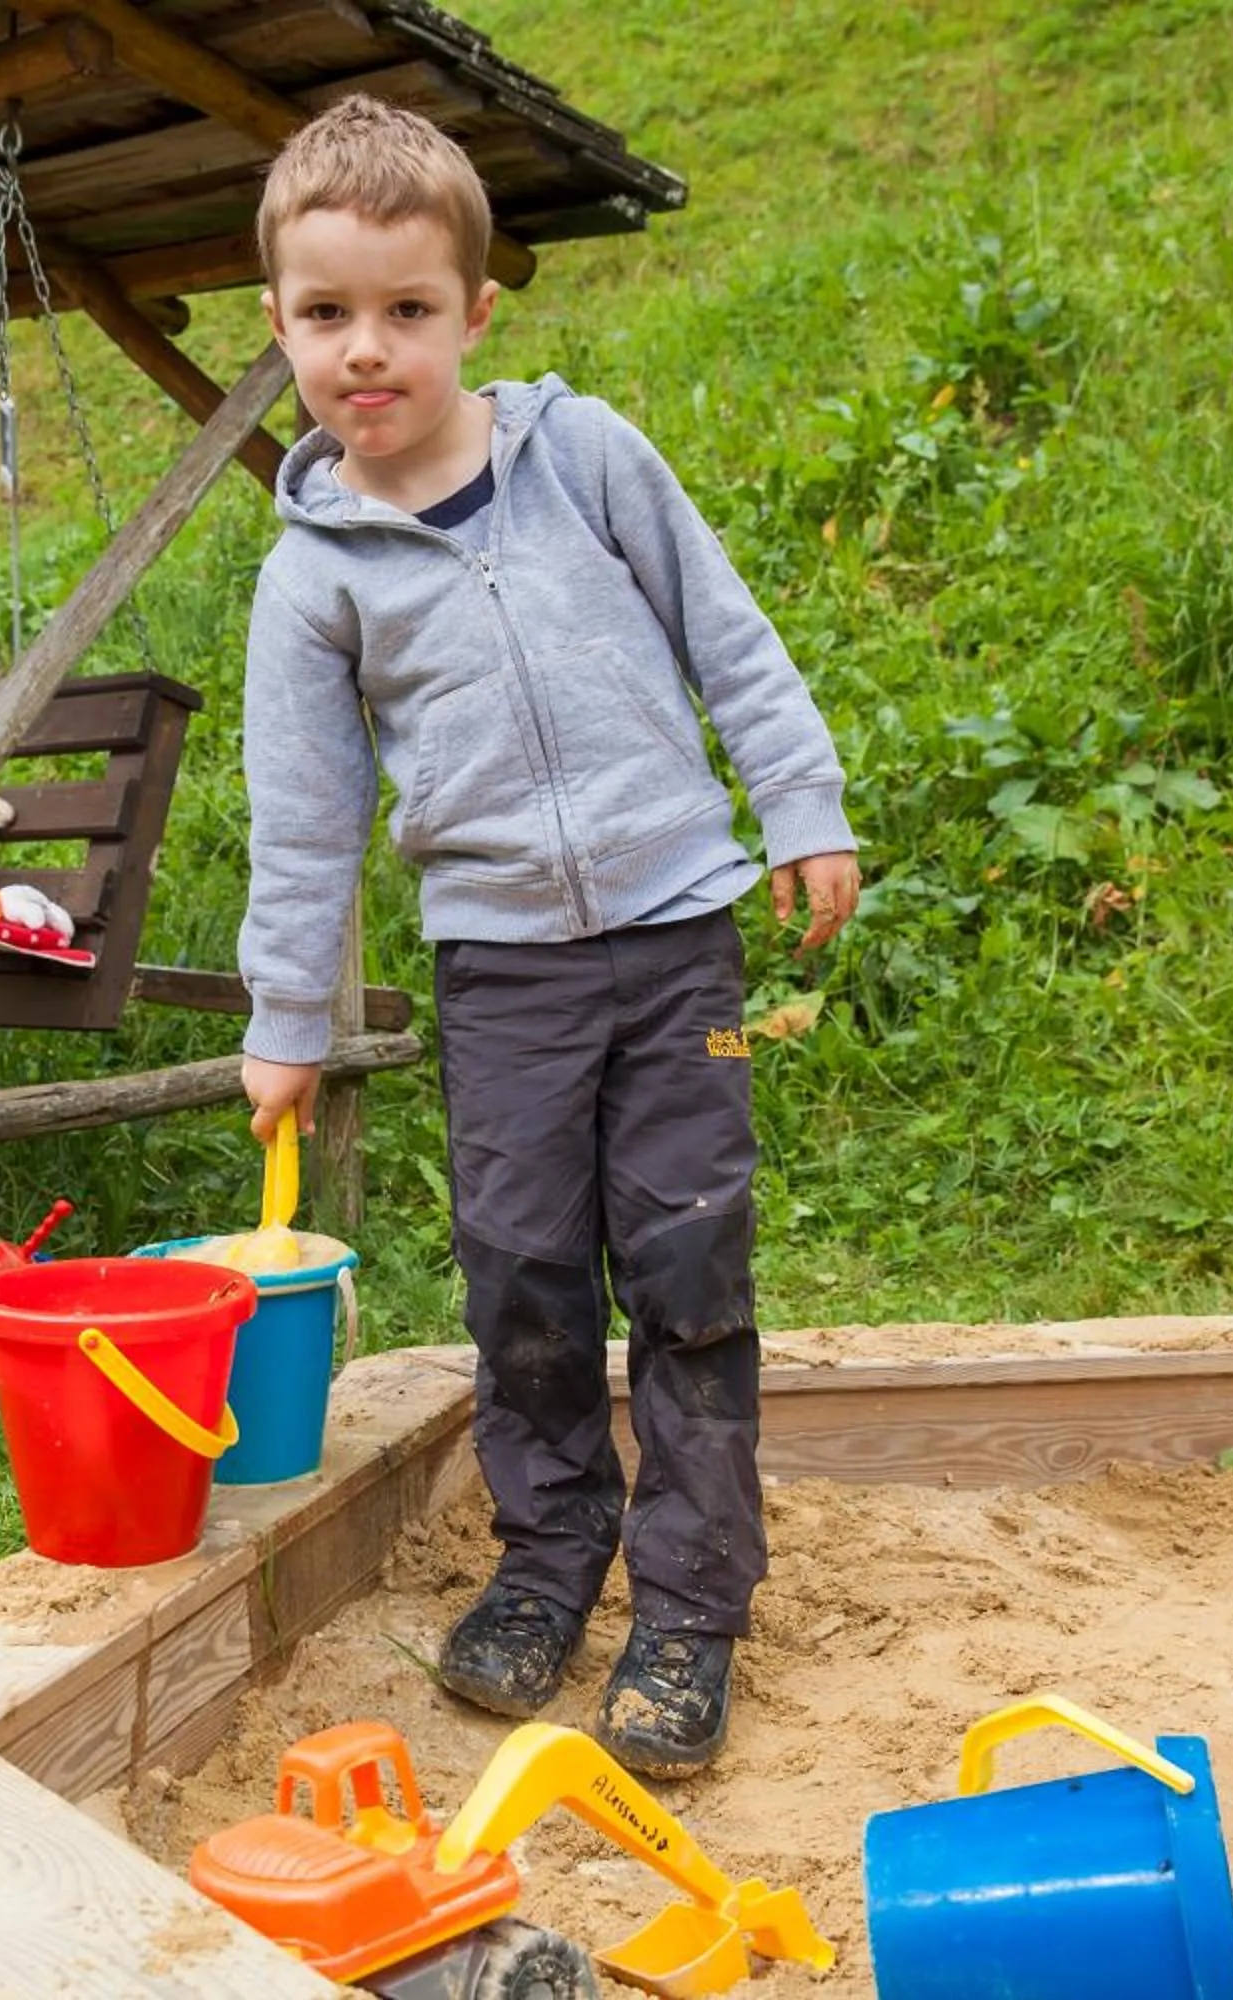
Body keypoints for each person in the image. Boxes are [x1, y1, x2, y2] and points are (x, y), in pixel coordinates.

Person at [234, 96, 863, 1779]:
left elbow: (726, 633)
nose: (367, 351)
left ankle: (689, 1605)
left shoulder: (584, 458)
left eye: (407, 311)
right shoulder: (313, 582)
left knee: (685, 1263)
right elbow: (304, 823)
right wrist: (287, 1015)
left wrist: (798, 802)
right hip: (499, 967)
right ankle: (549, 1557)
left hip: (672, 941)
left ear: (476, 311)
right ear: (279, 323)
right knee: (521, 1271)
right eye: (326, 315)